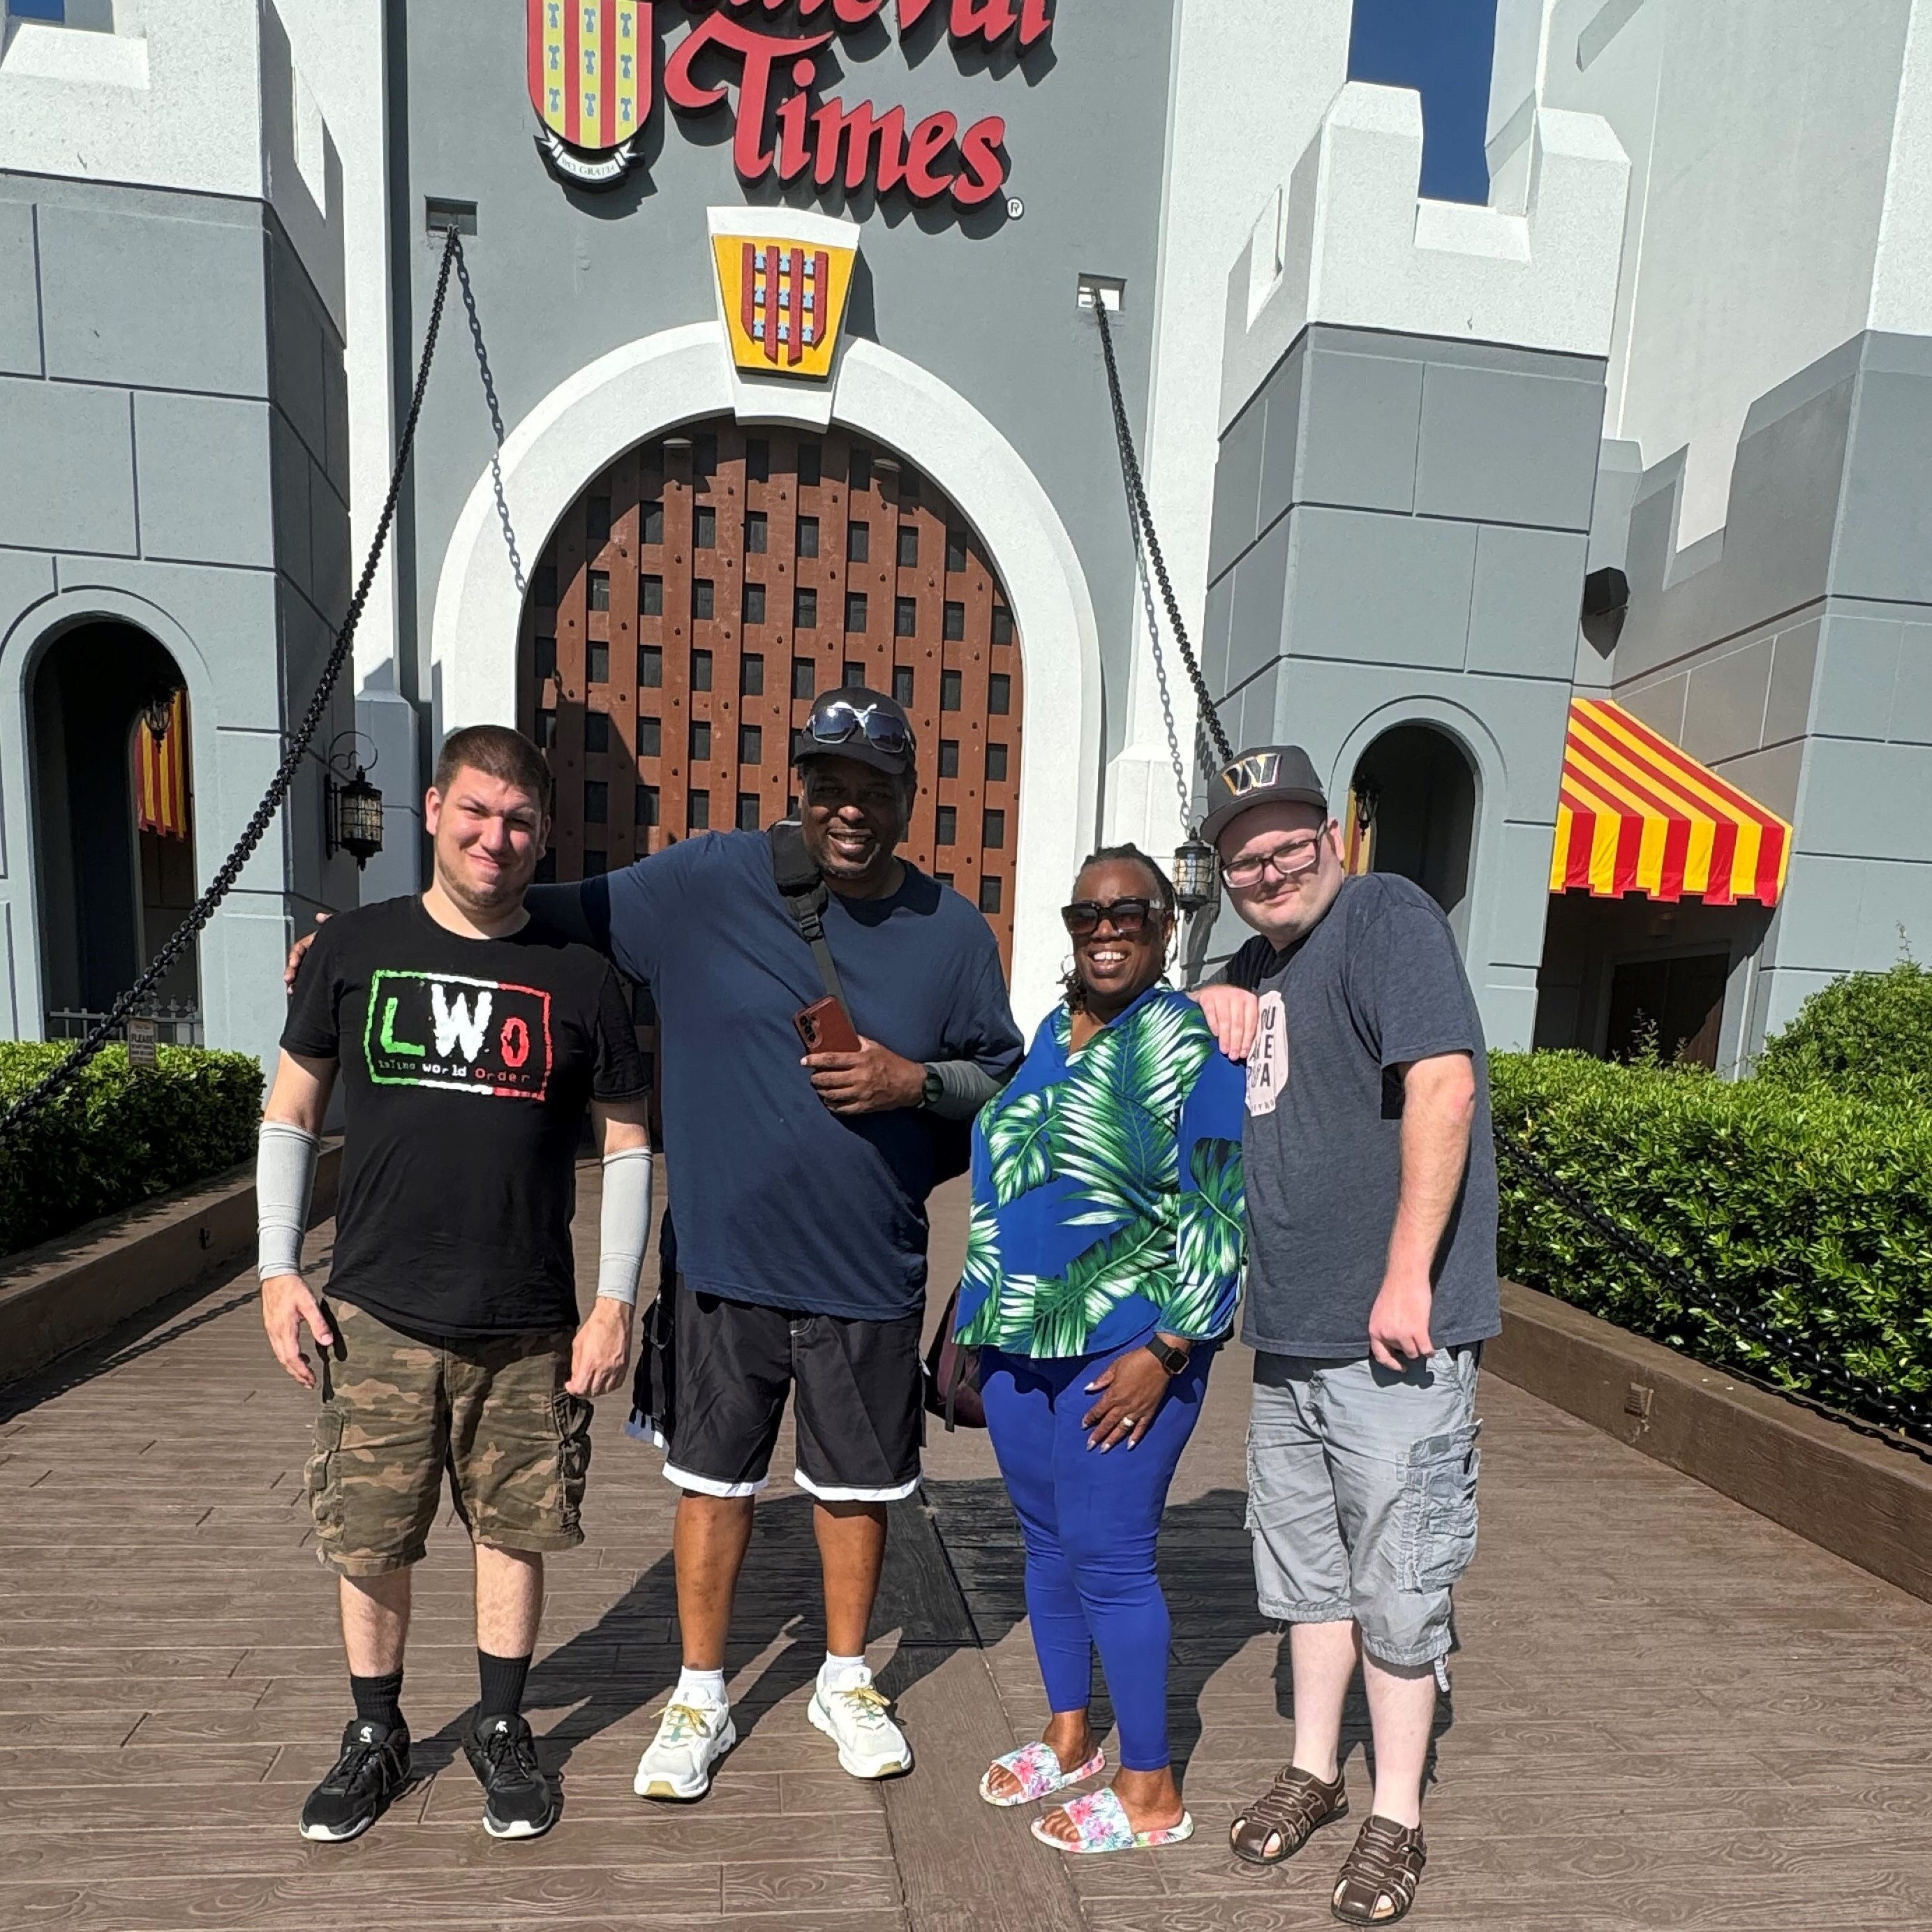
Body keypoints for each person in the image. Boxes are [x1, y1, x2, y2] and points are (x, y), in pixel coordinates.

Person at [533, 687, 1022, 1799]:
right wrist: (376, 934)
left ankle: (843, 1679)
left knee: (858, 1494)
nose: (850, 808)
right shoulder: (704, 881)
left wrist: (913, 1080)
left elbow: (1005, 1076)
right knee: (712, 1485)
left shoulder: (952, 932)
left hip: (868, 1268)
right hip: (725, 1263)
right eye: (830, 785)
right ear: (800, 786)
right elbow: (541, 910)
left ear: (907, 797)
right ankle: (699, 1693)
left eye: (875, 789)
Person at [258, 724, 655, 1844]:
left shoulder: (584, 981)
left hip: (528, 1320)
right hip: (374, 1308)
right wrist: (277, 1268)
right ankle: (377, 1734)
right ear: (434, 810)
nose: (497, 837)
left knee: (515, 1531)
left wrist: (613, 1300)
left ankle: (499, 1725)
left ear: (544, 837)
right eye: (477, 812)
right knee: (371, 1535)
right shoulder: (353, 951)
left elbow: (629, 1147)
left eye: (520, 821)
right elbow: (291, 1111)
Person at [1189, 745, 1498, 1926]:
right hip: (1291, 1338)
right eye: (1242, 859)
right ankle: (1318, 1770)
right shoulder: (1262, 959)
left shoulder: (1384, 915)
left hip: (1391, 1340)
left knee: (1400, 1583)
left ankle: (1397, 1816)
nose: (1268, 870)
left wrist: (1407, 1279)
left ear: (1334, 835)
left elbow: (1444, 1085)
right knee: (1306, 1575)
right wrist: (1211, 988)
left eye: (1286, 844)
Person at [957, 845, 1245, 1857]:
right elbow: (1011, 1178)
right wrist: (974, 1314)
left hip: (1126, 1349)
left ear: (1167, 928)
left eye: (1130, 913)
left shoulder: (1192, 1041)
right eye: (1088, 914)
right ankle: (1071, 1734)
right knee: (1046, 1545)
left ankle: (1152, 1787)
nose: (1107, 928)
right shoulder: (1048, 1034)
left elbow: (1218, 1210)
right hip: (1017, 1344)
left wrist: (1168, 1347)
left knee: (1112, 1559)